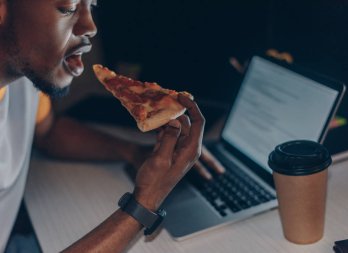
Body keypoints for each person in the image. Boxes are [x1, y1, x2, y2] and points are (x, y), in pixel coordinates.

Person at [0, 0, 224, 252]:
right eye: (69, 7)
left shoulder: (24, 78)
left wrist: (135, 153)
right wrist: (144, 205)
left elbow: (48, 132)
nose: (90, 26)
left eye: (91, 6)